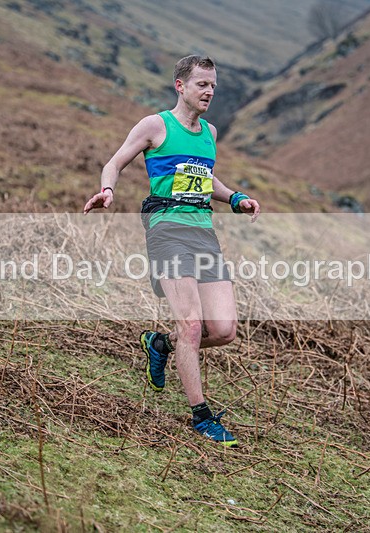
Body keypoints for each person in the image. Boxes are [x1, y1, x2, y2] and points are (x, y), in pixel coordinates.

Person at [83, 55, 260, 447]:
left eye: (213, 84)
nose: (209, 91)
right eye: (201, 84)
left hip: (203, 233)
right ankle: (202, 417)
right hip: (167, 230)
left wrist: (235, 198)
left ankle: (159, 344)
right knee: (192, 326)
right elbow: (115, 162)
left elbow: (203, 176)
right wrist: (107, 190)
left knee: (224, 330)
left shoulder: (210, 131)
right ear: (180, 86)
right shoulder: (155, 125)